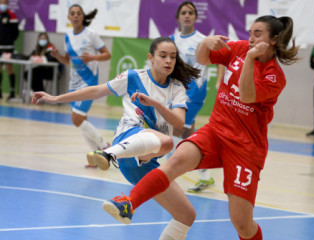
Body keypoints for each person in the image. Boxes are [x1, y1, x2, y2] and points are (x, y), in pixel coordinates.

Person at [99, 15, 298, 240]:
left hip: (246, 148)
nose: (251, 39)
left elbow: (246, 95)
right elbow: (203, 59)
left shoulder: (275, 76)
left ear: (273, 40)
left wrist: (251, 57)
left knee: (242, 223)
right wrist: (205, 43)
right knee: (177, 159)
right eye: (250, 33)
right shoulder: (241, 48)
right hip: (216, 131)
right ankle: (128, 204)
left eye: (258, 34)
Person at [33, 36, 201, 240]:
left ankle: (120, 185)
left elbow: (178, 122)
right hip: (127, 138)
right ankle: (108, 152)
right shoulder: (133, 77)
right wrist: (56, 98)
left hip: (147, 163)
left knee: (186, 215)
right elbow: (96, 91)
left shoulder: (177, 88)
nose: (168, 61)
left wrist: (155, 104)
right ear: (150, 57)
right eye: (163, 56)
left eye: (172, 57)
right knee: (166, 142)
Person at [169, 1, 223, 193]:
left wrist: (220, 81)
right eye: (183, 12)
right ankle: (206, 177)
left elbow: (223, 55)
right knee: (188, 136)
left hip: (194, 93)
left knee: (174, 130)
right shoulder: (171, 40)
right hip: (177, 92)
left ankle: (167, 177)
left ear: (195, 17)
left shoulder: (203, 40)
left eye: (190, 12)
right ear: (178, 17)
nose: (187, 15)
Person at [50, 4, 111, 167]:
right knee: (81, 120)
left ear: (83, 17)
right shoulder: (67, 36)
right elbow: (68, 60)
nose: (76, 16)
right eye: (72, 14)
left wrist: (93, 57)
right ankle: (96, 158)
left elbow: (107, 54)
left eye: (78, 13)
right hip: (74, 83)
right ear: (69, 18)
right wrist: (57, 56)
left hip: (89, 81)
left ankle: (105, 147)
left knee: (76, 119)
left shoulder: (91, 35)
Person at [0, 0, 19, 100]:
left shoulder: (12, 15)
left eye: (3, 3)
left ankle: (12, 92)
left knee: (9, 68)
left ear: (7, 4)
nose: (2, 5)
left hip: (8, 47)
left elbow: (15, 32)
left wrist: (9, 40)